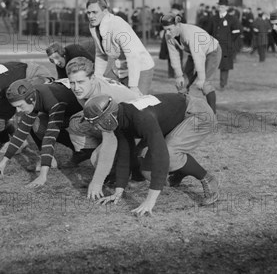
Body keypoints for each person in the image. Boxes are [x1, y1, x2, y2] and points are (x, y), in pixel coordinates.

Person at [83, 93, 219, 216]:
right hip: (178, 116)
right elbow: (125, 156)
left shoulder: (141, 117)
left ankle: (207, 178)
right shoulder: (121, 117)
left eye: (96, 123)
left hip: (197, 113)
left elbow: (161, 156)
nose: (95, 128)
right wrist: (118, 192)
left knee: (169, 153)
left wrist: (149, 201)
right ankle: (181, 171)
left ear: (108, 117)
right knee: (146, 170)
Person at [65, 56, 143, 194]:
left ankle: (126, 170)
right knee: (76, 122)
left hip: (138, 130)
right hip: (119, 124)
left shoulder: (102, 96)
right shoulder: (88, 88)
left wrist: (96, 182)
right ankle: (110, 167)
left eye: (80, 82)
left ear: (93, 79)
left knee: (98, 157)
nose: (76, 88)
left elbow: (110, 138)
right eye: (72, 83)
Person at [0, 78, 82, 187]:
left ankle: (84, 151)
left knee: (54, 127)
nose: (18, 111)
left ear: (31, 99)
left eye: (20, 106)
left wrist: (42, 176)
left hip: (81, 113)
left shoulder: (52, 101)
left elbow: (50, 138)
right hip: (68, 110)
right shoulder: (33, 96)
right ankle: (78, 152)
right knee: (36, 123)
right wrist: (3, 162)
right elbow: (21, 132)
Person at [86, 0, 155, 95]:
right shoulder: (94, 26)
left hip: (140, 67)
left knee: (136, 103)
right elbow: (101, 54)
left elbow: (133, 56)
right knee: (107, 96)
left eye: (94, 12)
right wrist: (98, 78)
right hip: (121, 67)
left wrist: (133, 86)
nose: (91, 16)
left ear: (105, 11)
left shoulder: (117, 24)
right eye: (88, 13)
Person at [160, 14, 221, 113]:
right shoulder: (169, 35)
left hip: (211, 52)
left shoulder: (189, 34)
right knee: (182, 84)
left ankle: (213, 116)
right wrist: (179, 75)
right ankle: (182, 112)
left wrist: (201, 78)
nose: (167, 32)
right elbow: (174, 56)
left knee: (205, 85)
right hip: (194, 54)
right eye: (165, 29)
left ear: (177, 25)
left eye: (169, 29)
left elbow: (199, 57)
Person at [208, 0, 241, 89]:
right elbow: (208, 31)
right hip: (214, 46)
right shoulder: (213, 18)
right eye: (219, 6)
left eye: (222, 7)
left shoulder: (232, 19)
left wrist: (230, 41)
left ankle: (223, 84)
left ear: (227, 7)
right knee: (211, 64)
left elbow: (237, 31)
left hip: (226, 47)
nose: (220, 8)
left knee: (224, 65)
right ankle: (207, 83)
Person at [159, 4, 187, 79]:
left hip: (177, 38)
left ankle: (178, 73)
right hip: (169, 38)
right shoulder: (168, 16)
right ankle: (172, 73)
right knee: (170, 56)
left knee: (178, 56)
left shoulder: (179, 18)